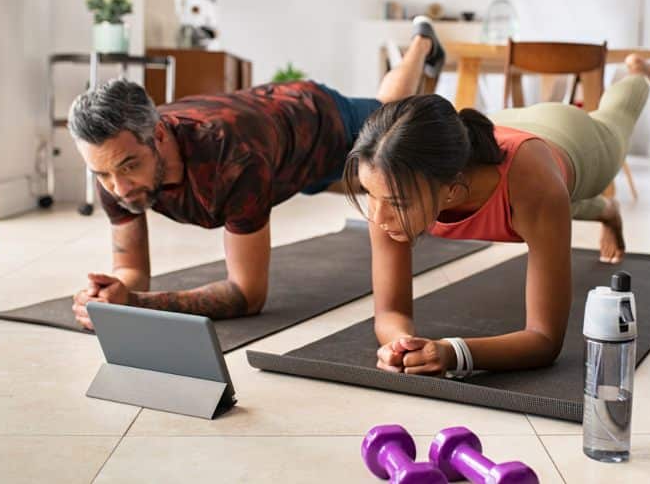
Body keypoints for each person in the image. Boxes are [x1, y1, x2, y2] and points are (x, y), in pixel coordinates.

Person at [68, 18, 446, 330]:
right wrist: (112, 294)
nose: (117, 187)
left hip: (320, 124)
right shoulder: (115, 164)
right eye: (102, 174)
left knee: (393, 112)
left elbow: (247, 294)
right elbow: (131, 269)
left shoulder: (231, 160)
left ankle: (422, 43)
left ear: (160, 135)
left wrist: (134, 304)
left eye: (129, 167)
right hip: (277, 156)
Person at [342, 55, 650, 375]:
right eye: (370, 194)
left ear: (450, 190)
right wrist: (401, 345)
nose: (378, 216)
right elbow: (390, 311)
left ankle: (640, 74)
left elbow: (544, 339)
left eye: (396, 202)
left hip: (570, 137)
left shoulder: (536, 188)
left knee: (615, 123)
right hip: (499, 130)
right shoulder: (391, 178)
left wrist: (455, 354)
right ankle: (604, 211)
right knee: (545, 213)